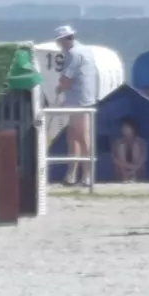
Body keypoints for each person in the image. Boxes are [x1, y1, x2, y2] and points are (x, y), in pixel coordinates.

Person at [53, 25, 98, 186]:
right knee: (73, 135)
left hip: (79, 100)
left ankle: (87, 175)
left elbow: (66, 80)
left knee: (81, 136)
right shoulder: (85, 50)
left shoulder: (73, 53)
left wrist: (57, 90)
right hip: (81, 98)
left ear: (62, 40)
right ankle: (71, 174)